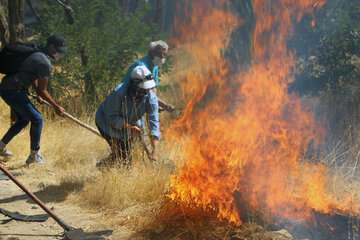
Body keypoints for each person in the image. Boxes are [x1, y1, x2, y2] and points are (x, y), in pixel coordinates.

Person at [0, 35, 66, 164]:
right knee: (37, 119)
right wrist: (56, 106)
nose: (60, 54)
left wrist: (37, 93)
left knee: (24, 120)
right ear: (52, 47)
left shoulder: (38, 54)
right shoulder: (44, 62)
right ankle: (34, 155)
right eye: (60, 51)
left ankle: (1, 146)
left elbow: (34, 78)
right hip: (13, 91)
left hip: (8, 88)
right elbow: (43, 90)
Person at [95, 65, 160, 167]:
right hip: (105, 122)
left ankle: (105, 165)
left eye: (147, 89)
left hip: (130, 121)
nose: (145, 92)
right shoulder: (119, 93)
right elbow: (112, 118)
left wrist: (154, 150)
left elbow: (154, 122)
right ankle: (106, 166)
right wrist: (129, 127)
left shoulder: (150, 97)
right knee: (124, 158)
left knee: (125, 153)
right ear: (133, 85)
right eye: (143, 89)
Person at [123, 40, 174, 112]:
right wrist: (164, 105)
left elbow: (153, 89)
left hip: (140, 100)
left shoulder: (155, 66)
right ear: (152, 52)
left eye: (164, 54)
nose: (163, 57)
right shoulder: (141, 66)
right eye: (160, 54)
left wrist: (155, 104)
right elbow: (147, 91)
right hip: (128, 100)